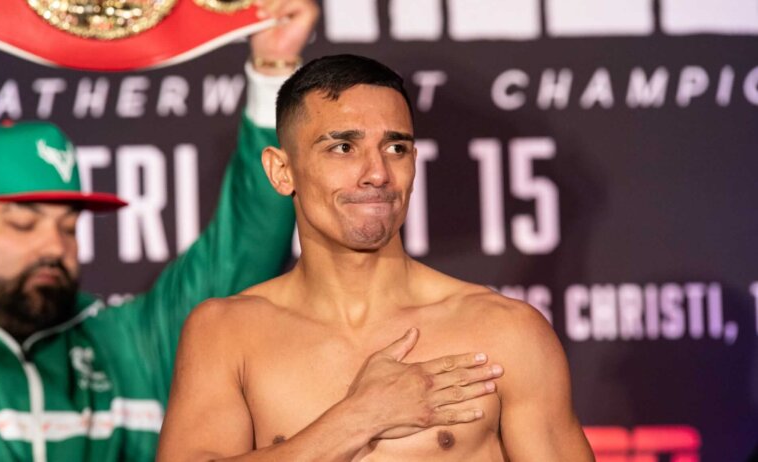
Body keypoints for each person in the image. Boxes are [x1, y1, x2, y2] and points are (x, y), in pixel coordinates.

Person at [158, 54, 595, 461]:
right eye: (343, 148)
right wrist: (360, 417)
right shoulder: (227, 334)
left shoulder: (504, 332)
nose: (377, 173)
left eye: (396, 148)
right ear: (281, 171)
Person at [0, 1, 318, 460]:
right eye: (22, 222)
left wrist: (273, 66)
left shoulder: (126, 342)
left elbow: (241, 252)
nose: (53, 247)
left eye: (69, 227)